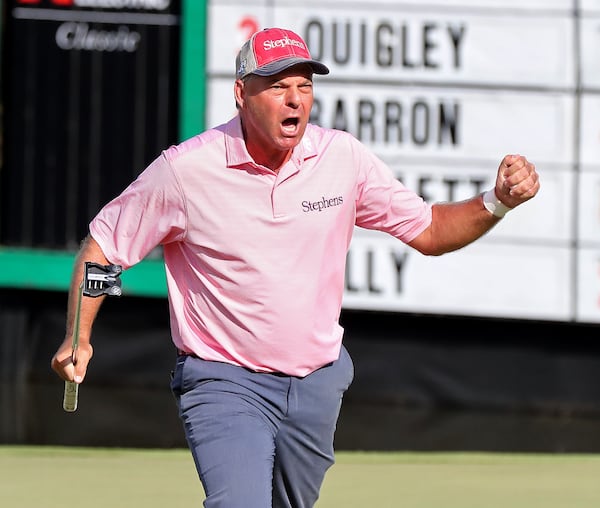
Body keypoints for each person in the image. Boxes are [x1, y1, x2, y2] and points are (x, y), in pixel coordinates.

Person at [51, 27, 540, 508]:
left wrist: (496, 201)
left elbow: (431, 230)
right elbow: (105, 248)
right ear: (242, 94)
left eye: (304, 86)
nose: (295, 99)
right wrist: (79, 337)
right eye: (279, 86)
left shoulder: (342, 157)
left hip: (317, 382)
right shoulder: (185, 170)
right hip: (224, 378)